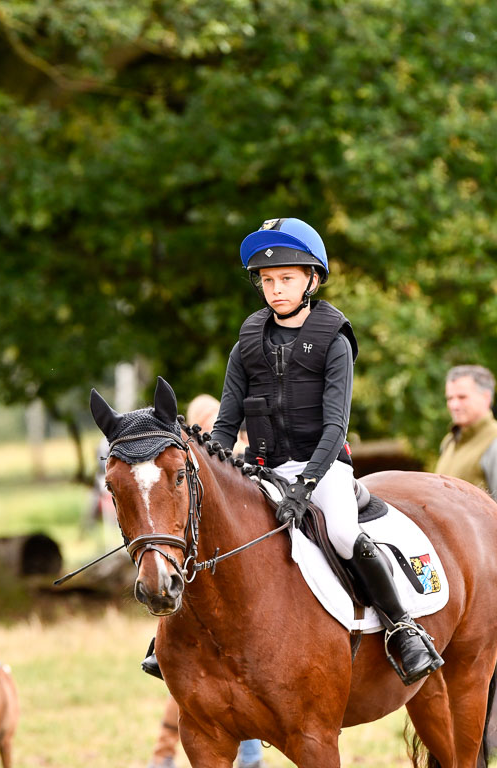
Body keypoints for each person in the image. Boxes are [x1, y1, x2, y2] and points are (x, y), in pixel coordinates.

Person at [209, 216, 443, 685]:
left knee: (339, 532)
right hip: (262, 468)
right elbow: (224, 424)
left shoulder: (334, 341)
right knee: (214, 526)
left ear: (312, 280)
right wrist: (217, 469)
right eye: (268, 280)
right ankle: (177, 638)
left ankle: (402, 627)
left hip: (322, 467)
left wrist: (307, 484)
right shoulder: (246, 344)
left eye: (287, 279)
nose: (275, 289)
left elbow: (336, 426)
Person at [146, 396, 263, 768]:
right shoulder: (191, 464)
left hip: (244, 579)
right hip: (202, 577)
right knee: (192, 669)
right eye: (206, 422)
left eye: (217, 420)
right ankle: (164, 753)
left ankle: (248, 756)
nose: (213, 428)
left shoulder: (240, 453)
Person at [435, 365, 497, 500]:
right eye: (450, 398)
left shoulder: (494, 442)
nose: (454, 405)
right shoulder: (449, 441)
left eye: (462, 397)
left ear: (486, 398)